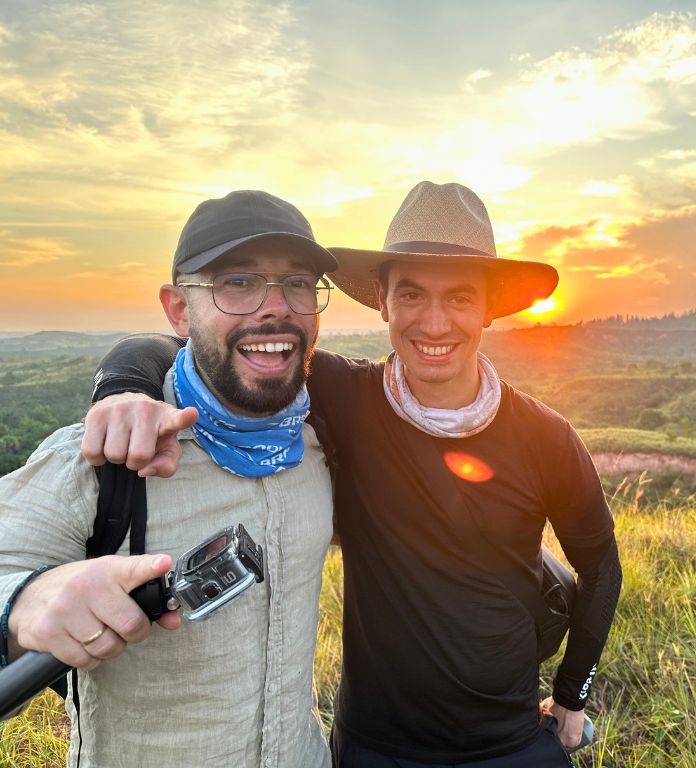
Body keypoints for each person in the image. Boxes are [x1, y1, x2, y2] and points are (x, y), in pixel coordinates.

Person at [86, 181, 623, 767]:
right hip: (376, 746)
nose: (435, 323)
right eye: (412, 295)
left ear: (489, 309)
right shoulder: (344, 396)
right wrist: (122, 389)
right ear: (383, 303)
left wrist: (572, 696)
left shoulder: (545, 437)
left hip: (512, 740)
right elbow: (193, 344)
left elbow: (599, 564)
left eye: (461, 298)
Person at [0, 190, 338, 767]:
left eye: (299, 283)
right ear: (179, 309)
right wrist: (24, 601)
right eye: (237, 282)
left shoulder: (322, 441)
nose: (276, 307)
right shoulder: (106, 457)